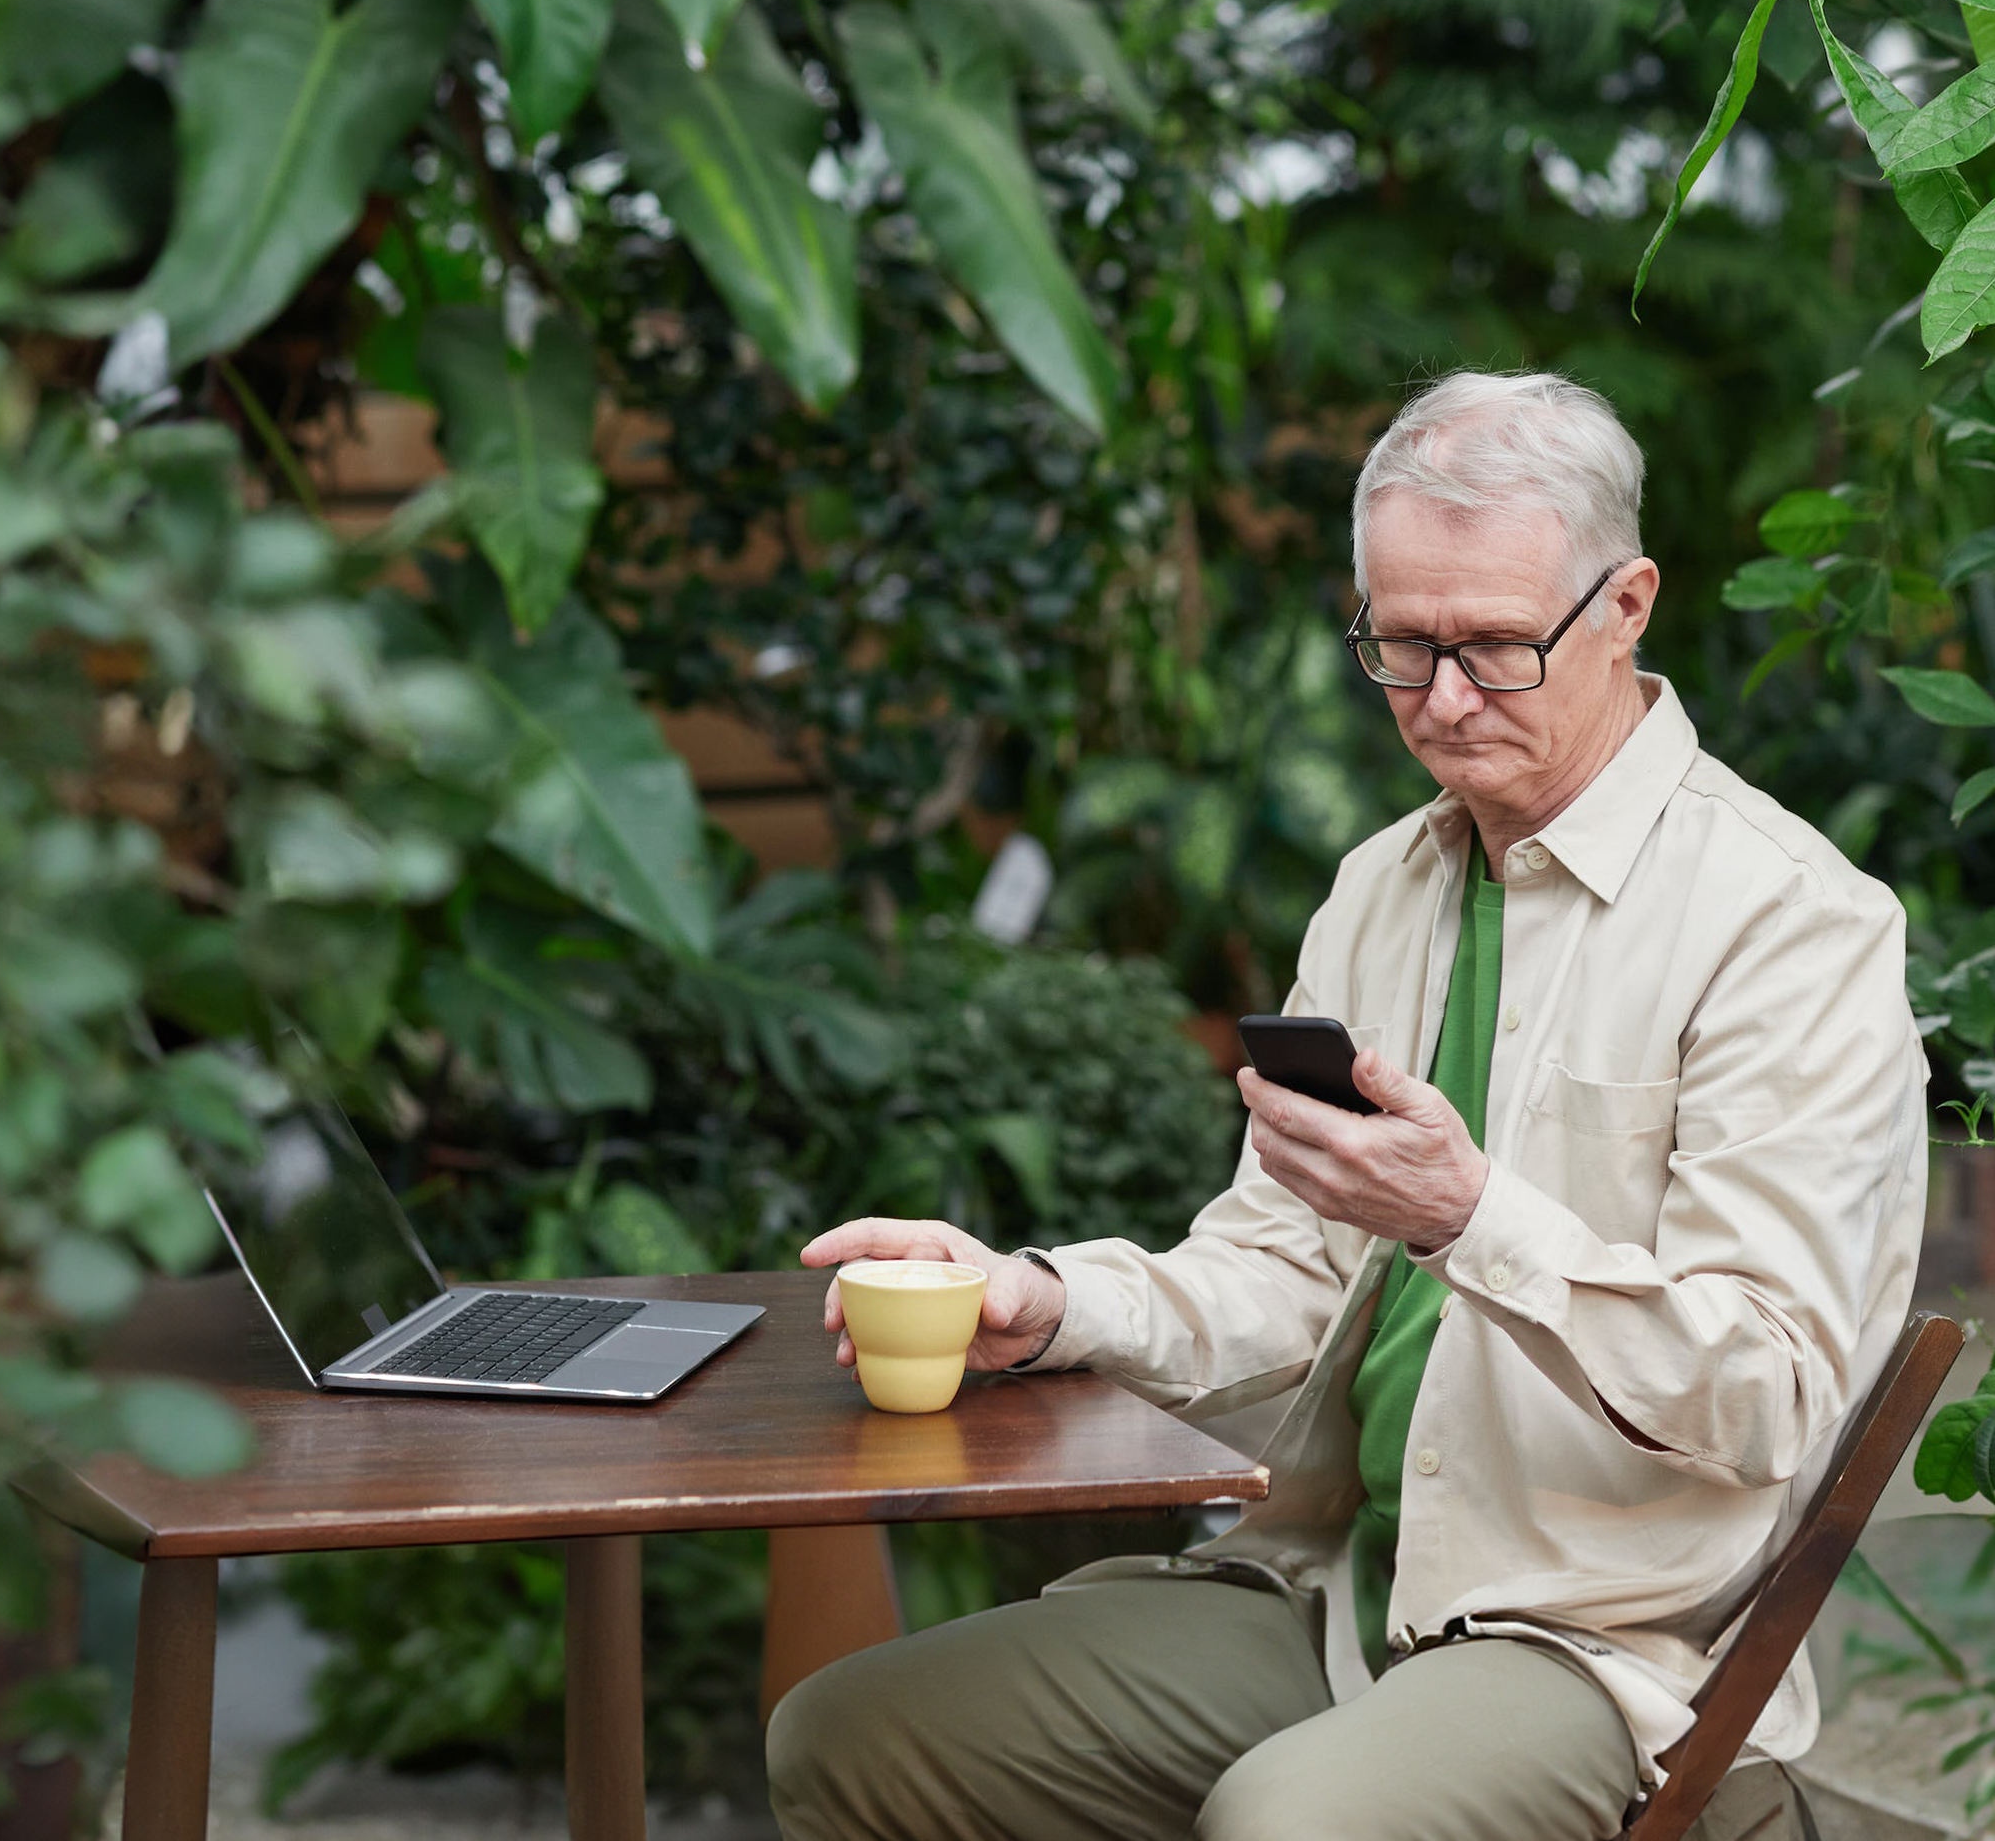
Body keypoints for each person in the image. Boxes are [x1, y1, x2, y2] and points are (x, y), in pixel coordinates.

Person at [770, 371, 1928, 1841]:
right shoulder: (1383, 888)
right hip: (1328, 1584)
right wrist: (1043, 1302)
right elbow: (1283, 1272)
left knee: (1292, 1826)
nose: (1441, 701)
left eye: (1496, 647)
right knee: (856, 1738)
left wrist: (1468, 1215)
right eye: (1402, 644)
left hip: (1598, 1640)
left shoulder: (1791, 925)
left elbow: (1769, 1395)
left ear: (1628, 605)